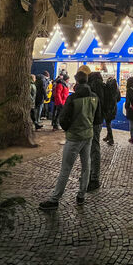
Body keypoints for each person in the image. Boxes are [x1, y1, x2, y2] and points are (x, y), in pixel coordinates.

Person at [39, 70, 98, 210]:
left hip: (74, 136)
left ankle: (55, 199)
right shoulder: (95, 97)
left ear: (76, 82)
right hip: (88, 135)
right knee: (86, 165)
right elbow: (97, 117)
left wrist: (68, 129)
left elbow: (64, 119)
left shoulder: (73, 98)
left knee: (66, 168)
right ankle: (81, 195)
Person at [86, 72, 105, 192]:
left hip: (92, 120)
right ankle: (92, 175)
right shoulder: (104, 87)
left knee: (92, 148)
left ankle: (93, 177)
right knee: (93, 147)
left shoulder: (92, 88)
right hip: (99, 120)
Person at [103, 77, 120, 146]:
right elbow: (119, 98)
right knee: (109, 122)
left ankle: (111, 139)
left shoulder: (107, 89)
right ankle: (108, 137)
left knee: (108, 123)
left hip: (108, 108)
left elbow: (104, 98)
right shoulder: (116, 90)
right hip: (114, 107)